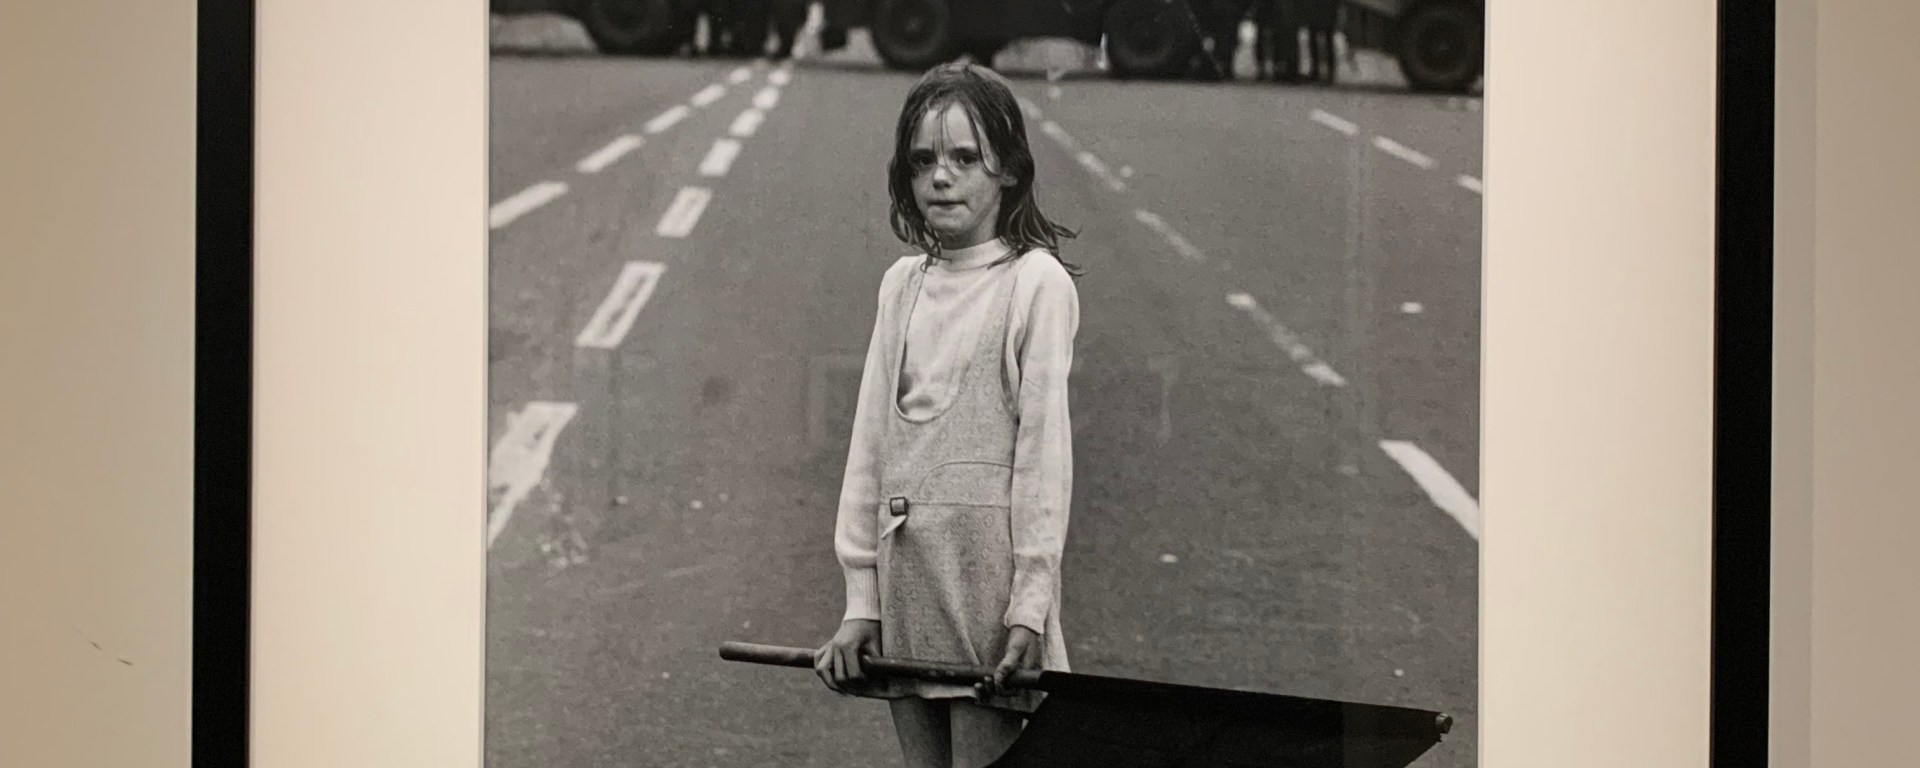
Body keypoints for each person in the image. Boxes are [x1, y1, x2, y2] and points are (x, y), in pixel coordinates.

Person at [813, 60, 1084, 768]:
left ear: (1009, 170)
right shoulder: (902, 286)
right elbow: (871, 449)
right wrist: (861, 601)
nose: (941, 177)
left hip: (987, 596)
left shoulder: (1034, 283)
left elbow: (1044, 464)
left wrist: (1030, 606)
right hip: (907, 585)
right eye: (922, 161)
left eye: (965, 158)